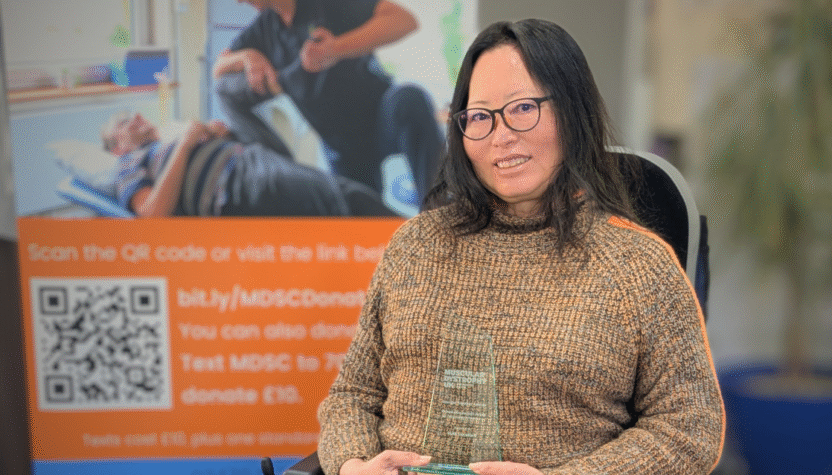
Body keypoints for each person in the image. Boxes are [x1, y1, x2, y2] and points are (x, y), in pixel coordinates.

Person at [316, 19, 725, 475]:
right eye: (479, 116)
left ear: (573, 112)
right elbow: (353, 395)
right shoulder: (415, 244)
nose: (501, 135)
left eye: (523, 108)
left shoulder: (637, 265)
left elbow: (690, 427)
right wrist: (351, 465)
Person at [212, 0, 442, 205]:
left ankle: (440, 221)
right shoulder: (263, 29)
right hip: (342, 147)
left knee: (410, 98)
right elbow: (218, 68)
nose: (240, 1)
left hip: (382, 116)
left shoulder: (328, 4)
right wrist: (246, 56)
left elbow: (404, 20)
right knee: (356, 225)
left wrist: (336, 48)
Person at [102, 112, 395, 217]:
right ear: (117, 148)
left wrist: (216, 133)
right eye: (126, 122)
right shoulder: (128, 166)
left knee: (342, 198)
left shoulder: (162, 145)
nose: (138, 117)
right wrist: (186, 143)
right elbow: (153, 216)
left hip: (250, 160)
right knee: (346, 200)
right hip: (236, 185)